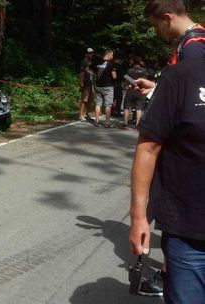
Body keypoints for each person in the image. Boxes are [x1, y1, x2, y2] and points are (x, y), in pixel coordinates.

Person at [130, 0, 205, 299]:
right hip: (188, 222)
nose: (158, 32)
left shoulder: (194, 45)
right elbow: (149, 146)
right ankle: (167, 273)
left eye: (156, 25)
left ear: (167, 18)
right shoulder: (186, 60)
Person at [93, 50, 117, 127]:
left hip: (98, 85)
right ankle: (107, 123)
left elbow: (93, 72)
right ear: (108, 55)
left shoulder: (98, 62)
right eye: (112, 55)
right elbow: (114, 76)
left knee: (98, 103)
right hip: (108, 86)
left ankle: (96, 121)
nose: (113, 57)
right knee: (108, 105)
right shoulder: (111, 63)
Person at [122, 57, 147, 128]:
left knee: (126, 107)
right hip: (140, 90)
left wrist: (128, 85)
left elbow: (126, 81)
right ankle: (137, 124)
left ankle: (125, 123)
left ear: (133, 62)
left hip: (131, 90)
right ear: (140, 62)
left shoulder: (130, 70)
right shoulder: (143, 70)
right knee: (138, 108)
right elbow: (145, 81)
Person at [79, 48, 95, 121]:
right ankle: (81, 115)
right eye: (90, 53)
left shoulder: (91, 61)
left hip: (91, 82)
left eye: (92, 53)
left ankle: (86, 114)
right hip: (86, 82)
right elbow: (82, 72)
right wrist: (81, 82)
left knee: (90, 99)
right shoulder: (84, 61)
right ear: (86, 54)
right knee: (84, 99)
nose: (91, 54)